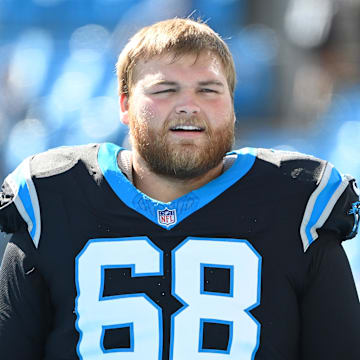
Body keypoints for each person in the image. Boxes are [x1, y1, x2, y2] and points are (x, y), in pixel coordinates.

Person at [0, 18, 359, 360]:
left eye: (208, 90)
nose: (189, 105)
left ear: (232, 105)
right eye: (165, 89)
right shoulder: (53, 201)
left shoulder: (296, 205)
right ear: (125, 105)